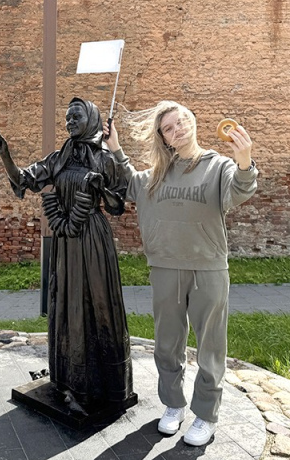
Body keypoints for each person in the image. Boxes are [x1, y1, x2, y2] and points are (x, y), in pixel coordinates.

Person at [103, 101, 257, 446]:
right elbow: (128, 182)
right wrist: (114, 147)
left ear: (193, 122)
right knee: (167, 345)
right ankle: (174, 405)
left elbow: (241, 189)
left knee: (210, 347)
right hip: (164, 268)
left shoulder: (218, 166)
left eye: (182, 121)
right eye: (169, 128)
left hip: (208, 269)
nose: (178, 129)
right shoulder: (156, 174)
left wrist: (244, 160)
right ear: (164, 138)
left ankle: (206, 415)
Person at [0, 97, 134, 414]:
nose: (69, 122)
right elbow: (24, 179)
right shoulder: (59, 158)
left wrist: (101, 187)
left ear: (91, 119)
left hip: (92, 239)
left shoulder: (105, 158)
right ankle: (68, 378)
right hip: (66, 241)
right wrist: (5, 153)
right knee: (67, 304)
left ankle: (102, 384)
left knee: (96, 304)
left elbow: (117, 206)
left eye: (75, 116)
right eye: (67, 117)